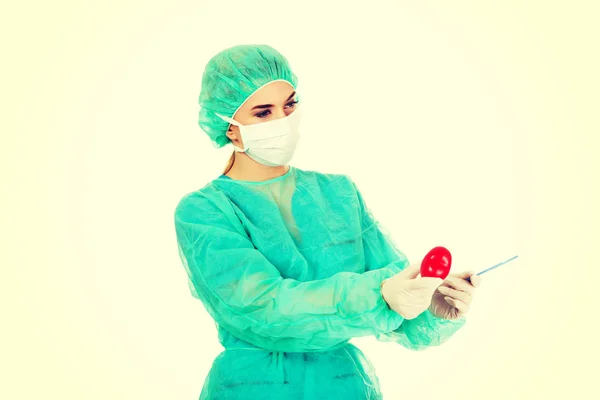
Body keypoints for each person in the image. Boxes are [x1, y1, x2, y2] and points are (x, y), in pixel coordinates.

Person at [174, 44, 482, 400]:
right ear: (229, 126)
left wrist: (432, 309)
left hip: (342, 385)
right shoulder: (204, 212)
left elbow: (395, 293)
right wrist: (379, 293)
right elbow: (261, 308)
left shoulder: (338, 193)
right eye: (263, 112)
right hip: (254, 387)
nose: (282, 120)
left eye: (289, 105)